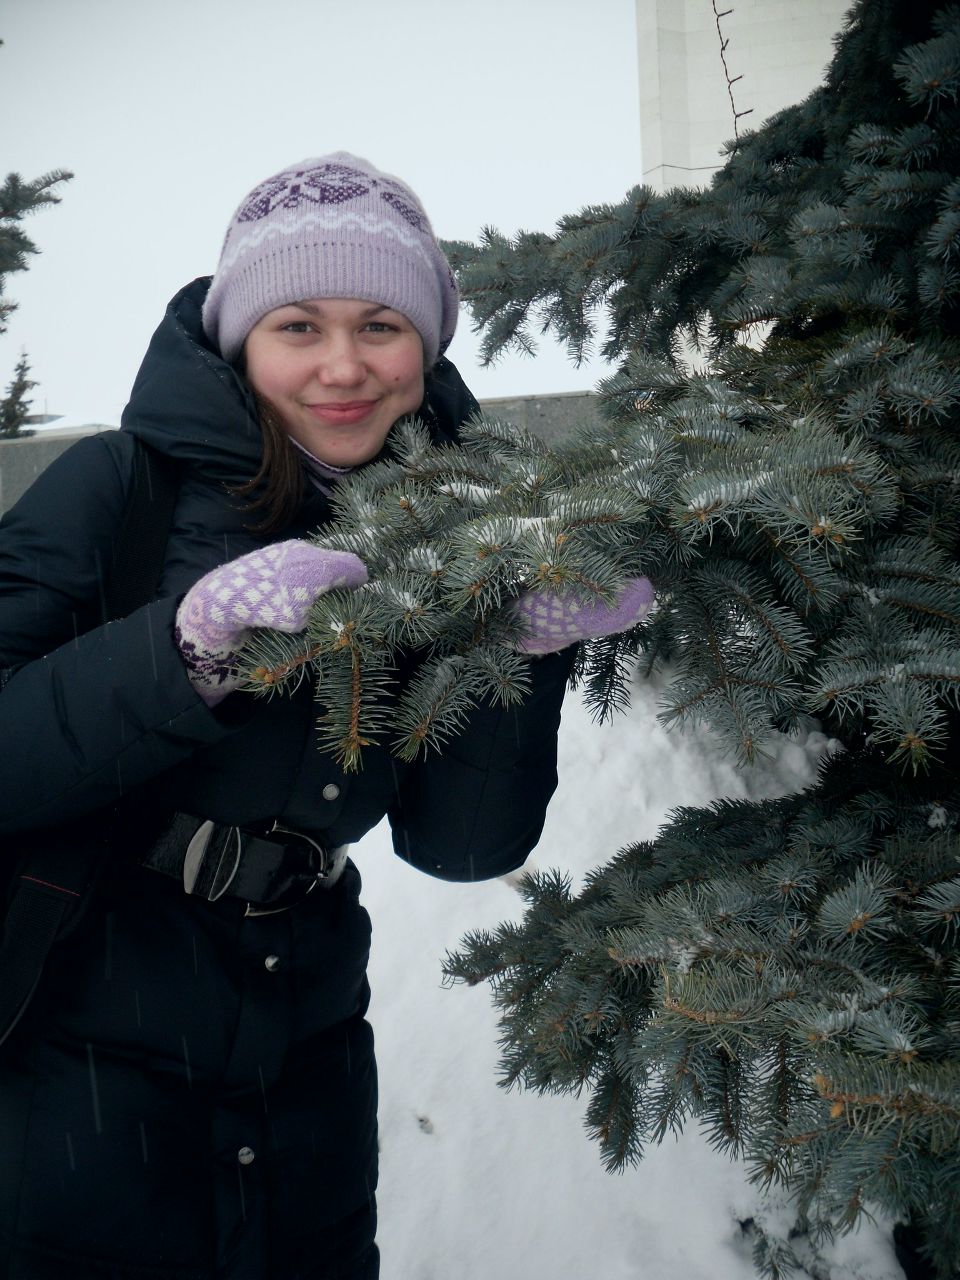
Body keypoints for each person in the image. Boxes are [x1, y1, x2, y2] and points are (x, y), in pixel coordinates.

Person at [0, 153, 653, 1279]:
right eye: (298, 324)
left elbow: (462, 846)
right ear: (239, 340)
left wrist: (520, 655)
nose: (344, 365)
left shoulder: (457, 526)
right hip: (76, 1026)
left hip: (309, 1044)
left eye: (382, 323)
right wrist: (183, 651)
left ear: (430, 343)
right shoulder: (117, 491)